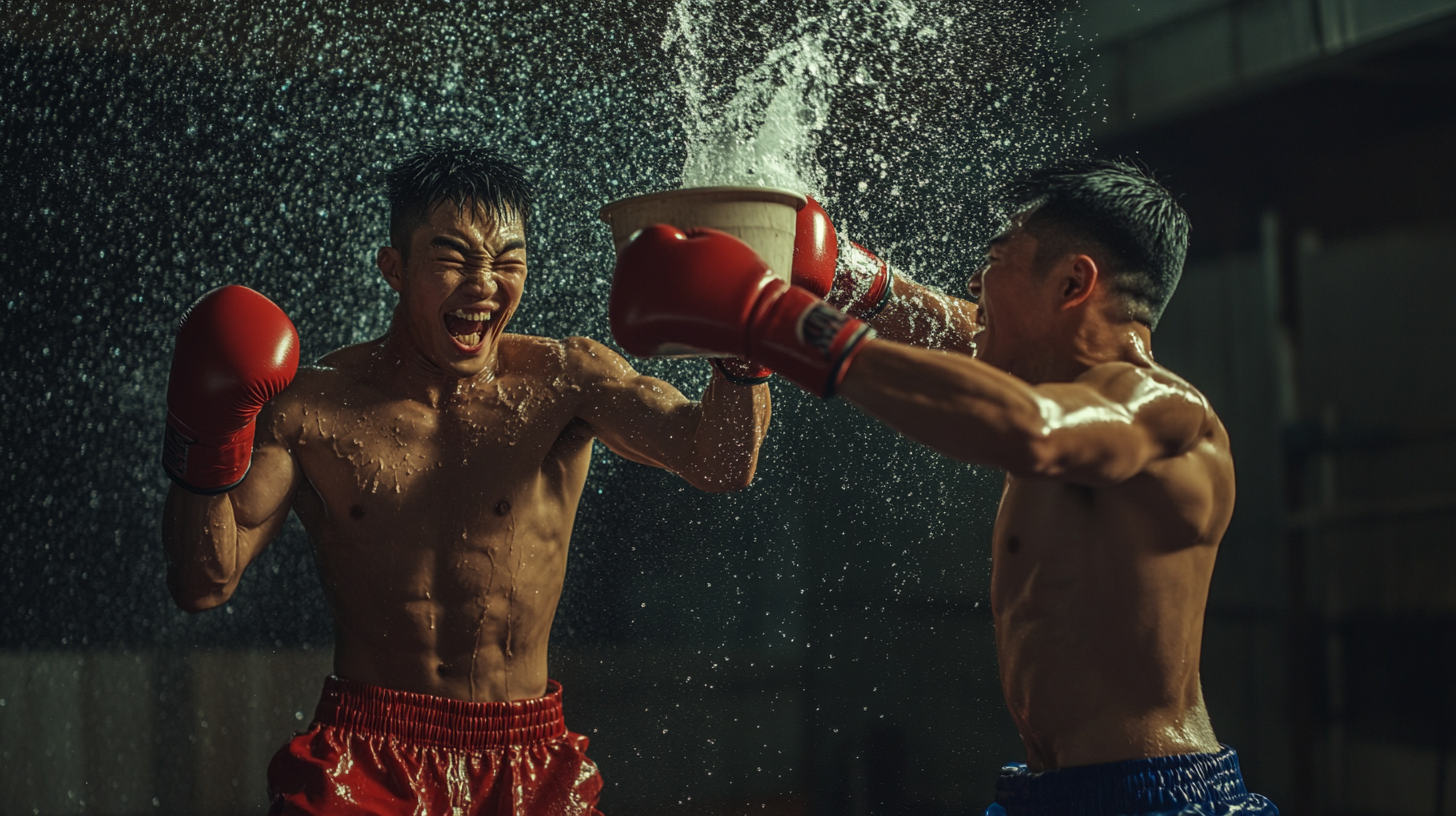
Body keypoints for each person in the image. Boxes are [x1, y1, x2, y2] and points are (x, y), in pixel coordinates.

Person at [607, 159, 1277, 815]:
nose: (973, 283)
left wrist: (768, 315)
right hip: (1044, 793)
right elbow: (957, 335)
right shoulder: (1052, 378)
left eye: (997, 258)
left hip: (1154, 798)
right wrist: (844, 274)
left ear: (1074, 282)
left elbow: (1034, 431)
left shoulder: (1164, 410)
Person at [159, 140, 770, 815]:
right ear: (393, 266)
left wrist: (742, 357)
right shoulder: (312, 409)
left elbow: (719, 463)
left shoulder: (566, 381)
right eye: (453, 258)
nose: (484, 284)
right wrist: (203, 442)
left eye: (508, 261)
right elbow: (204, 583)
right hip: (367, 757)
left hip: (528, 758)